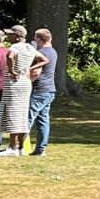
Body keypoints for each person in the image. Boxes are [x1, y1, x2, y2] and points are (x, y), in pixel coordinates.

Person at [0, 27, 37, 155]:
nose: (8, 37)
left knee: (12, 113)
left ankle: (13, 147)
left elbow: (10, 56)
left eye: (10, 35)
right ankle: (21, 148)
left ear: (17, 36)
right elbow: (44, 59)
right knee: (22, 115)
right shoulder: (30, 48)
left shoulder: (14, 47)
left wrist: (11, 70)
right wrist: (29, 68)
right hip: (25, 83)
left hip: (14, 84)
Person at [27, 28, 59, 156]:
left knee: (28, 118)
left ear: (39, 39)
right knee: (43, 119)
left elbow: (36, 72)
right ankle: (41, 148)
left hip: (40, 89)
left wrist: (26, 81)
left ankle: (17, 145)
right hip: (50, 89)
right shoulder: (53, 52)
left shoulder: (41, 53)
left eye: (36, 38)